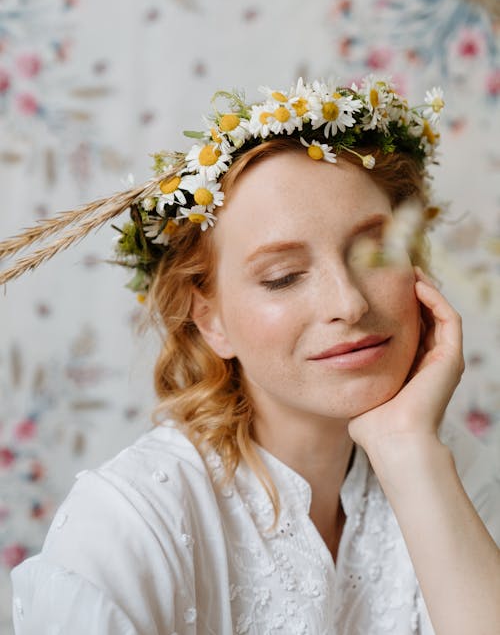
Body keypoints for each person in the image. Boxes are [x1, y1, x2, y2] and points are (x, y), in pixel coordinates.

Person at [7, 76, 500, 634]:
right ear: (210, 320)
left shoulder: (455, 467)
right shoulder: (129, 525)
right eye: (283, 277)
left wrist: (408, 450)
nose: (349, 303)